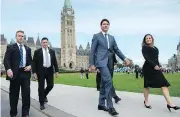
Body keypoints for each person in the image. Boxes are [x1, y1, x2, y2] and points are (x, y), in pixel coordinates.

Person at [89, 19, 130, 115]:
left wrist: (125, 58)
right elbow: (92, 51)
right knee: (108, 81)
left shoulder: (112, 38)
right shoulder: (96, 36)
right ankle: (110, 106)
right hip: (101, 63)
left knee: (104, 83)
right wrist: (92, 64)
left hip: (110, 63)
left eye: (107, 24)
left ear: (109, 26)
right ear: (101, 26)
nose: (105, 25)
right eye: (104, 24)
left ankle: (101, 104)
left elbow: (116, 49)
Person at [142, 34, 180, 111]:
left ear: (152, 39)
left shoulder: (156, 48)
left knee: (164, 84)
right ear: (145, 40)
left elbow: (156, 59)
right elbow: (147, 58)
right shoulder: (145, 47)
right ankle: (146, 101)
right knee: (147, 86)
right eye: (147, 38)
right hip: (148, 69)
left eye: (150, 38)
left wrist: (159, 66)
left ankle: (170, 103)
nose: (148, 39)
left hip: (156, 69)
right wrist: (154, 65)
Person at [4, 30, 32, 117]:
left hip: (25, 73)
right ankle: (13, 113)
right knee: (14, 95)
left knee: (26, 94)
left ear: (24, 37)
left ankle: (26, 113)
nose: (21, 37)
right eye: (19, 36)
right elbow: (6, 60)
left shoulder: (28, 49)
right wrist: (8, 69)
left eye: (22, 36)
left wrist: (30, 66)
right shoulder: (11, 47)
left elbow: (31, 61)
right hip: (14, 74)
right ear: (16, 37)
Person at [32, 37, 59, 110]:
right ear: (41, 43)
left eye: (46, 42)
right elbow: (34, 62)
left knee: (51, 85)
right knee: (41, 87)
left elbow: (55, 62)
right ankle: (41, 103)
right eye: (43, 42)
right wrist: (34, 72)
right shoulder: (37, 52)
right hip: (41, 71)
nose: (45, 44)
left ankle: (43, 95)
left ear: (48, 43)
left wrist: (57, 71)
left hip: (50, 71)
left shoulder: (52, 51)